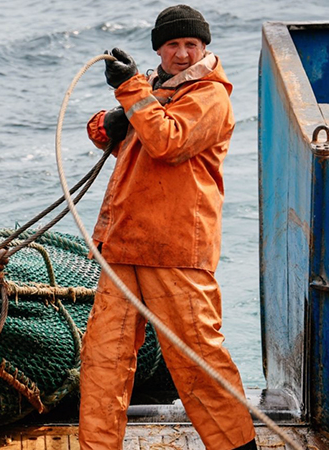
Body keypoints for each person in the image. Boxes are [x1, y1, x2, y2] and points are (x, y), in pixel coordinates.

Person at [79, 5, 257, 449]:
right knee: (103, 364)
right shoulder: (157, 91)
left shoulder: (210, 97)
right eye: (173, 44)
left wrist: (130, 91)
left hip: (175, 249)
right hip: (122, 246)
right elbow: (110, 134)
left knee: (198, 362)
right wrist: (108, 120)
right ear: (159, 49)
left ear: (204, 47)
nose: (181, 53)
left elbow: (166, 141)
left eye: (190, 45)